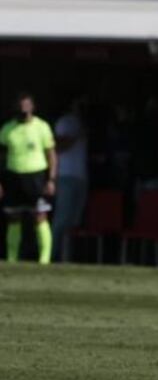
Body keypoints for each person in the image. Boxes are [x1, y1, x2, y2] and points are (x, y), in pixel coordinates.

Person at [0, 93, 57, 264]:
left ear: (32, 107)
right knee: (13, 217)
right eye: (20, 105)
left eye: (26, 105)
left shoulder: (42, 127)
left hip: (36, 176)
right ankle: (12, 259)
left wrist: (51, 179)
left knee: (40, 215)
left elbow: (51, 154)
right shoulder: (7, 129)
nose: (23, 109)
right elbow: (1, 156)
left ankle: (44, 260)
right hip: (14, 176)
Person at [51, 97, 88, 262]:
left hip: (81, 177)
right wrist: (76, 136)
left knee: (74, 220)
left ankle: (66, 256)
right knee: (62, 218)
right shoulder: (65, 122)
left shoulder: (82, 123)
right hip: (66, 175)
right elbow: (57, 147)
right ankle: (51, 255)